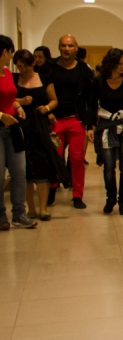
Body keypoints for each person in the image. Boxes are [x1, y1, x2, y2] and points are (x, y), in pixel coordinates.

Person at [86, 48, 123, 214]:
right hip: (106, 124)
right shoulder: (99, 81)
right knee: (109, 166)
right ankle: (110, 198)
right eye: (120, 64)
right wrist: (90, 127)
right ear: (111, 64)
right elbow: (92, 105)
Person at [13, 49, 65, 220]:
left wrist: (47, 108)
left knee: (43, 165)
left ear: (33, 64)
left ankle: (43, 208)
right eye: (19, 67)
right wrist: (20, 102)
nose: (23, 70)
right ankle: (31, 208)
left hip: (40, 125)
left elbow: (54, 100)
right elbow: (6, 99)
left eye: (26, 67)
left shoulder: (44, 79)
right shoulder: (14, 79)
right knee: (25, 168)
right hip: (20, 126)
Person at [47, 34, 94, 208]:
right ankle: (52, 189)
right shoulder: (49, 67)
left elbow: (90, 99)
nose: (67, 49)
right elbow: (41, 92)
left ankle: (77, 195)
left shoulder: (84, 70)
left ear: (76, 48)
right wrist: (47, 112)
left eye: (70, 46)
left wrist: (90, 123)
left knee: (77, 159)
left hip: (76, 120)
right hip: (54, 120)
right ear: (59, 47)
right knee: (54, 157)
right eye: (64, 45)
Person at [0, 35, 36, 230]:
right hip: (0, 127)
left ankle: (19, 214)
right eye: (10, 53)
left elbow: (10, 98)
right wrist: (1, 116)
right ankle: (0, 216)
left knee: (19, 172)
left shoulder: (6, 73)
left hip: (13, 128)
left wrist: (17, 106)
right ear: (5, 52)